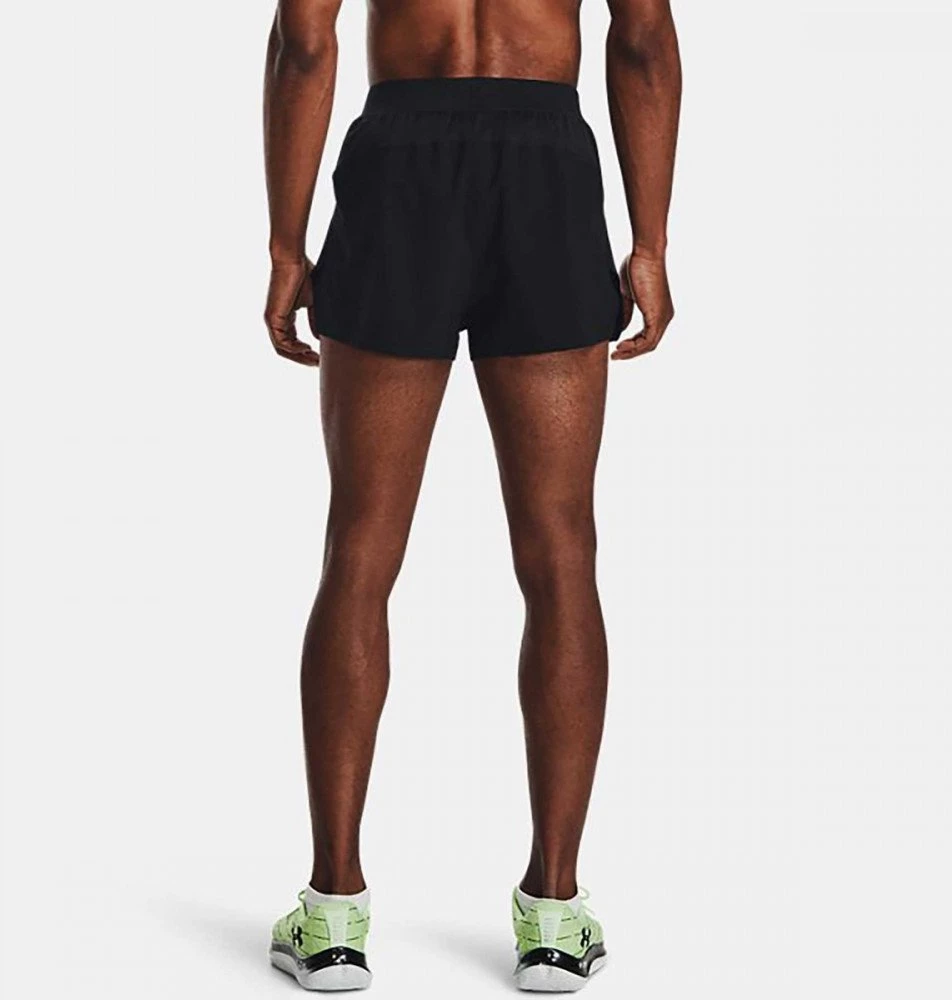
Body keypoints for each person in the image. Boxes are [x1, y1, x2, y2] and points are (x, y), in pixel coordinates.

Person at [262, 0, 680, 990]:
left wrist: (285, 244)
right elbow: (642, 40)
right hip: (546, 163)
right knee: (561, 552)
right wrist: (650, 241)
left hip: (398, 160)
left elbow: (305, 41)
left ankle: (332, 912)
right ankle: (554, 914)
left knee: (359, 549)